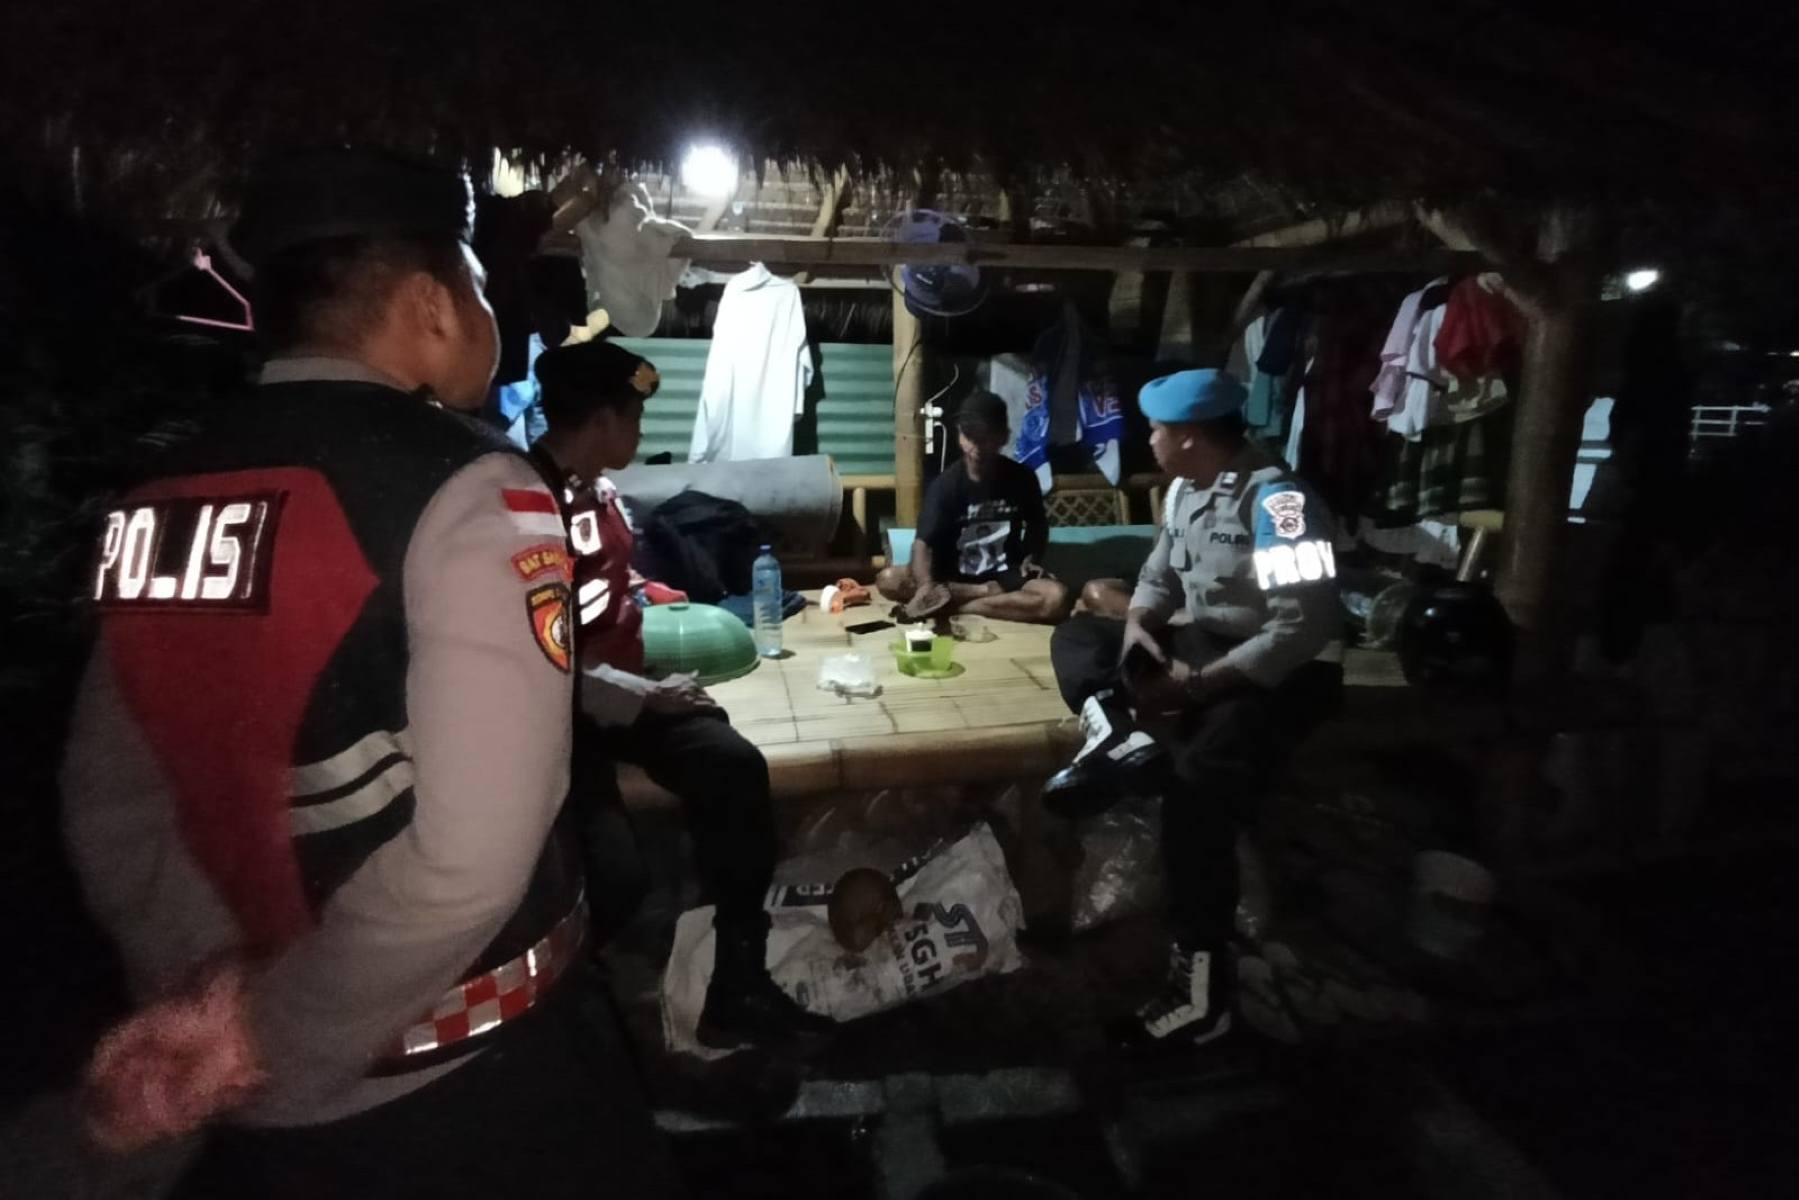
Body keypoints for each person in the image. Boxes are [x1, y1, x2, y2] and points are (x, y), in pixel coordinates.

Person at [59, 149, 675, 1197]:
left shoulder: (161, 493)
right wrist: (275, 1029)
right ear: (433, 306)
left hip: (249, 1113)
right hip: (473, 1092)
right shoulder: (467, 484)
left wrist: (211, 1007)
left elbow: (110, 803)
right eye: (479, 285)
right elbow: (472, 857)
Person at [527, 338, 834, 1048]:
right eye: (633, 417)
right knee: (615, 878)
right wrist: (642, 696)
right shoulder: (527, 505)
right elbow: (540, 660)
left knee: (732, 764)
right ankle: (567, 1019)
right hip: (554, 714)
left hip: (621, 692)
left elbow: (602, 582)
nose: (640, 431)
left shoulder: (596, 490)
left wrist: (649, 593)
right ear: (601, 419)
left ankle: (738, 984)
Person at [1043, 368, 1343, 1052]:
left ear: (1189, 436)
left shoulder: (1280, 503)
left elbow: (1302, 628)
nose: (1148, 439)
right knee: (1080, 637)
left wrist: (1196, 687)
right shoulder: (1184, 488)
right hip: (1208, 641)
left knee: (1196, 789)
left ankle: (1202, 995)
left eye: (1156, 430)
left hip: (1285, 669)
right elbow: (1158, 574)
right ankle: (1116, 734)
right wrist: (1139, 627)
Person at [875, 390, 1071, 624]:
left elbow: (1038, 525)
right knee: (889, 579)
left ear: (1003, 437)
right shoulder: (945, 485)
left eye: (986, 437)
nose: (977, 445)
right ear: (960, 436)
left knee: (1056, 598)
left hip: (1005, 577)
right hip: (953, 580)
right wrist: (927, 587)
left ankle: (962, 608)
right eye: (970, 436)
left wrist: (1032, 557)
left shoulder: (1023, 478)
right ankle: (980, 598)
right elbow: (922, 544)